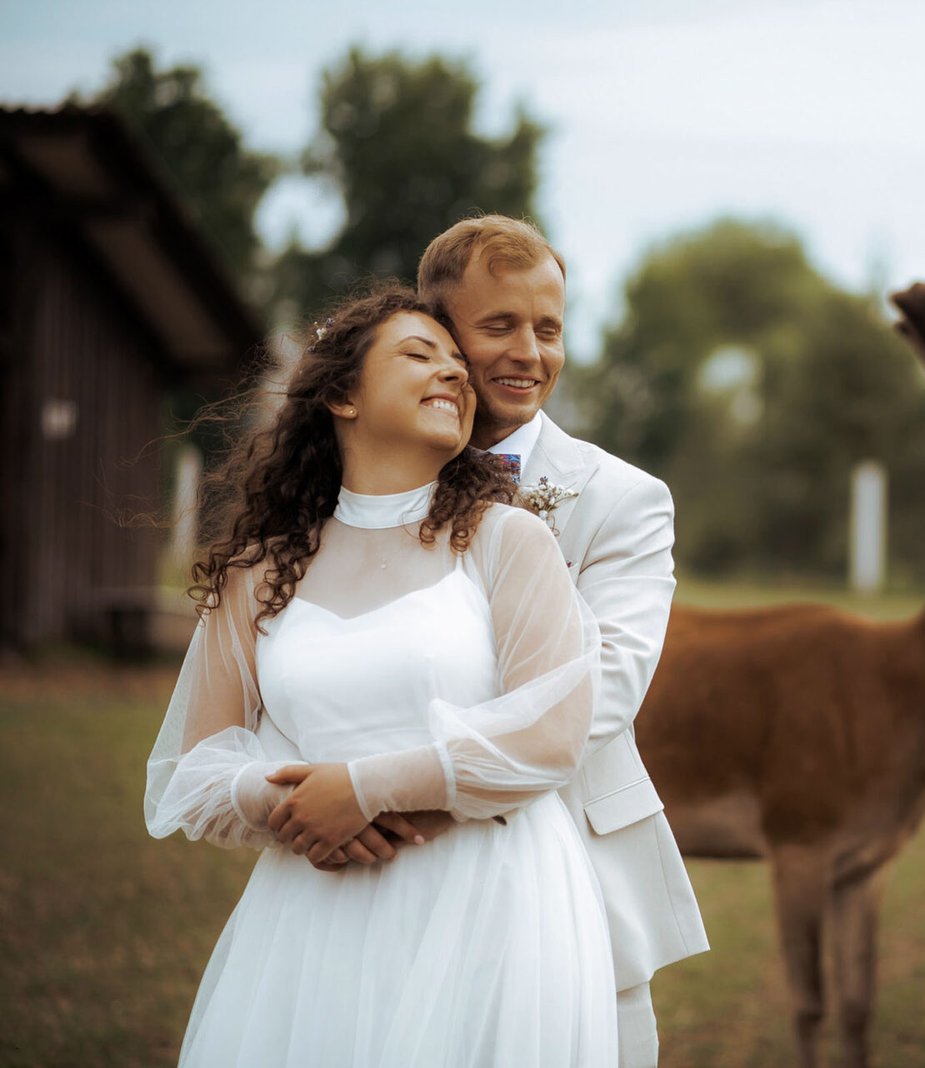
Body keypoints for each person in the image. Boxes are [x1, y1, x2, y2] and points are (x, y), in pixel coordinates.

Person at [145, 284, 618, 1066]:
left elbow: (552, 734)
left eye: (459, 364)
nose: (457, 375)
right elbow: (191, 774)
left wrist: (367, 788)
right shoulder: (259, 574)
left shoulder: (508, 543)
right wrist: (287, 802)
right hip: (314, 917)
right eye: (419, 355)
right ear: (341, 394)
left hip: (491, 904)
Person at [400, 214, 711, 1068]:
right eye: (499, 325)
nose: (528, 353)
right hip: (394, 869)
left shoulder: (622, 498)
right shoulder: (371, 481)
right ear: (439, 333)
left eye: (549, 329)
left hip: (573, 858)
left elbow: (605, 689)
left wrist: (408, 785)